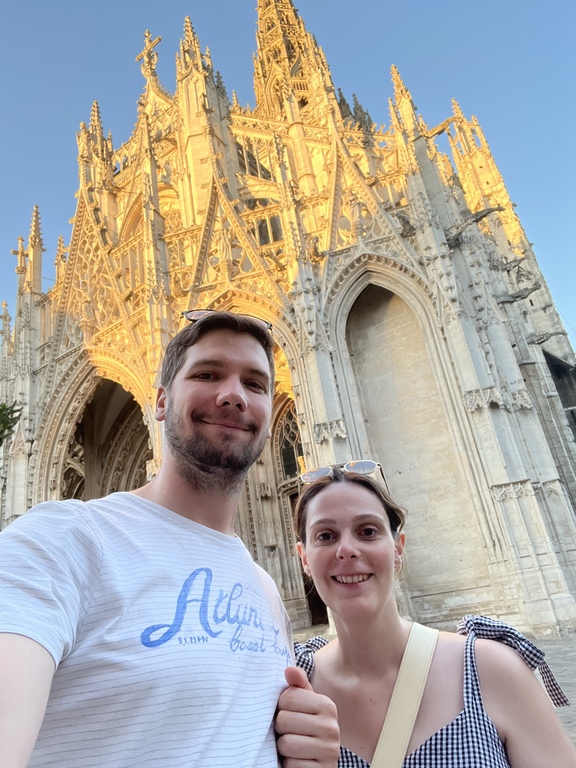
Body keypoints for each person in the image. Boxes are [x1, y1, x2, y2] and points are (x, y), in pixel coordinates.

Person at [0, 310, 339, 768]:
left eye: (255, 384)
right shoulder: (61, 541)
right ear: (159, 401)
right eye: (207, 373)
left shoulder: (264, 588)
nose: (234, 395)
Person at [292, 464, 576, 767]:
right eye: (326, 535)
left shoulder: (491, 670)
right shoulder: (292, 692)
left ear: (398, 549)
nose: (346, 549)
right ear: (304, 558)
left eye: (368, 531)